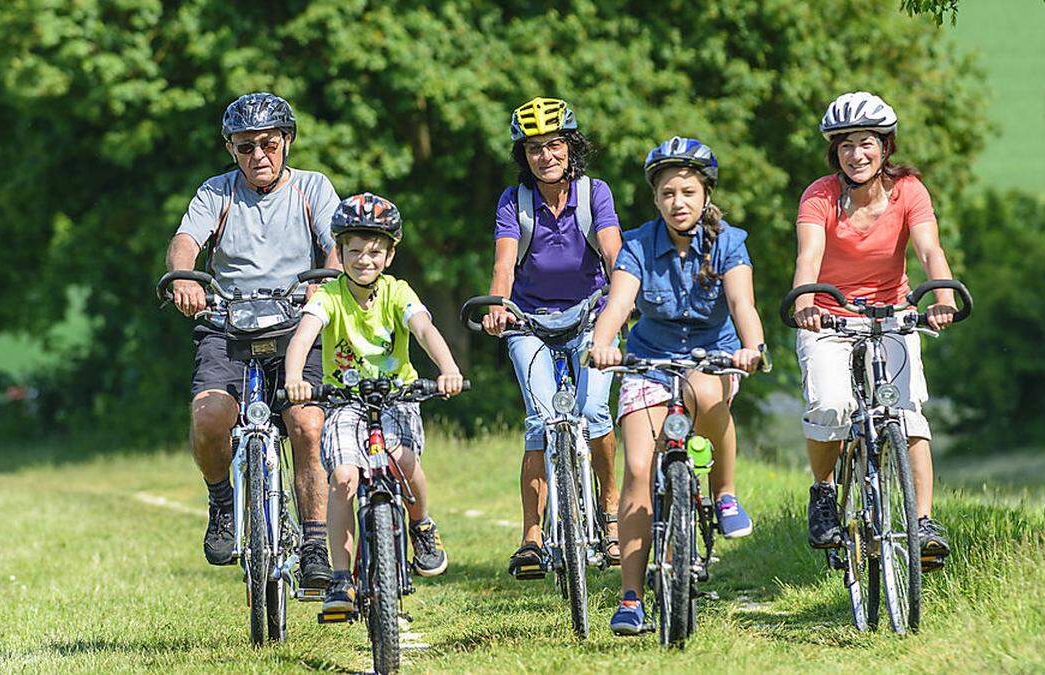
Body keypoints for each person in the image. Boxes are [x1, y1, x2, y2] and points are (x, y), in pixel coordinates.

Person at [589, 137, 766, 635]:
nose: (678, 202)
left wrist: (752, 347)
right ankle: (630, 598)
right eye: (667, 193)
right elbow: (619, 304)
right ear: (655, 199)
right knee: (639, 471)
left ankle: (725, 492)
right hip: (647, 360)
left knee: (709, 396)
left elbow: (741, 305)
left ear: (705, 194)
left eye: (687, 191)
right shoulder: (639, 245)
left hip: (713, 355)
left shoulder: (729, 242)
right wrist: (603, 344)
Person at [164, 92, 340, 587]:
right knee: (209, 417)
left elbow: (335, 245)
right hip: (226, 324)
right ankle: (222, 502)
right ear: (231, 150)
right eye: (245, 147)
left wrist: (324, 282)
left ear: (286, 141)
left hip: (294, 324)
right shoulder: (216, 193)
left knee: (307, 425)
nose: (258, 156)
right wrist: (185, 276)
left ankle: (313, 541)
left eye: (267, 143)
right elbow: (186, 240)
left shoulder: (311, 188)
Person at [788, 91, 959, 569]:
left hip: (891, 313)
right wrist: (805, 304)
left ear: (885, 146)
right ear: (834, 153)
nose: (856, 154)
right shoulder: (820, 195)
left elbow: (929, 250)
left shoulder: (910, 192)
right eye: (845, 145)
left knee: (906, 415)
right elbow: (808, 257)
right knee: (831, 406)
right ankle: (824, 491)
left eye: (866, 142)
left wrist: (941, 296)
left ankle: (921, 522)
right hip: (830, 315)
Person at [283, 193, 465, 613]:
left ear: (390, 254)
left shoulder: (397, 293)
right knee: (344, 477)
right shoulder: (328, 296)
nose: (365, 260)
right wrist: (295, 378)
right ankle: (341, 578)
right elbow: (304, 336)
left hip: (396, 397)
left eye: (375, 252)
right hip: (345, 402)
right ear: (340, 252)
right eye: (355, 251)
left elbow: (424, 329)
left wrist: (447, 367)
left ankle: (420, 524)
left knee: (404, 460)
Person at [482, 97, 623, 576]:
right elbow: (504, 265)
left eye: (555, 145)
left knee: (595, 411)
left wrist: (623, 306)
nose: (546, 156)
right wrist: (498, 306)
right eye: (534, 148)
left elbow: (611, 252)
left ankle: (609, 517)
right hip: (528, 321)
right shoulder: (513, 202)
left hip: (591, 317)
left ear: (572, 147)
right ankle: (532, 537)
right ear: (524, 156)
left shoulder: (594, 193)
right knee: (541, 421)